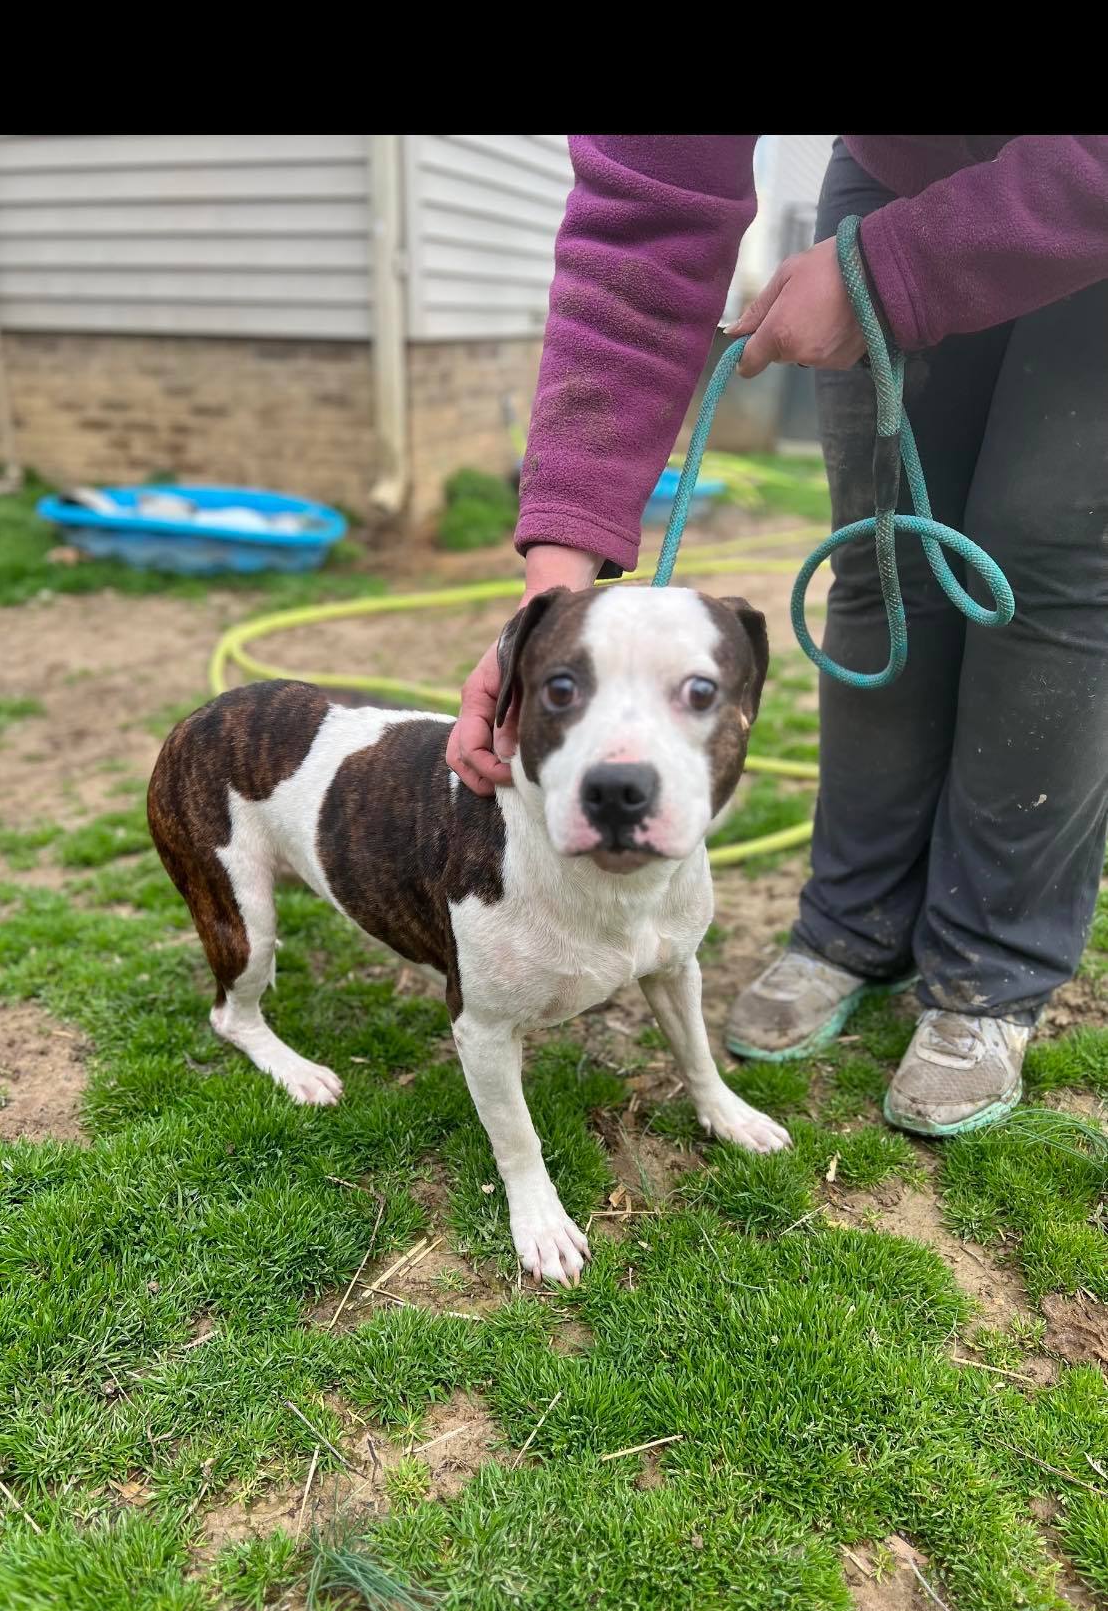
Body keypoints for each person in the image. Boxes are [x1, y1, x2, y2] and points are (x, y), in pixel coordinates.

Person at [447, 136, 1108, 1137]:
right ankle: (857, 925)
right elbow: (647, 209)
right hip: (894, 174)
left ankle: (991, 966)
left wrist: (891, 268)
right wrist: (546, 611)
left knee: (1046, 573)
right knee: (884, 569)